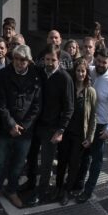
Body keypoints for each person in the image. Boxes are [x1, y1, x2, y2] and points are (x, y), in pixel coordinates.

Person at [0, 44, 42, 209]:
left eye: (23, 60)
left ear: (29, 61)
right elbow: (1, 103)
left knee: (18, 164)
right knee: (0, 162)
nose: (19, 62)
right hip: (6, 128)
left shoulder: (36, 76)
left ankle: (12, 190)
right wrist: (11, 124)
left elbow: (37, 106)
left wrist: (23, 127)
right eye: (16, 59)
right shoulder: (4, 74)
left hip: (25, 131)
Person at [24, 45, 75, 206]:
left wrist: (61, 130)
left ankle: (41, 192)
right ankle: (31, 184)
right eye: (47, 59)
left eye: (53, 59)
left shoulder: (65, 78)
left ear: (59, 60)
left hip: (52, 128)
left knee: (46, 163)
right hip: (36, 125)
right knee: (32, 157)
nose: (50, 63)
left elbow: (69, 107)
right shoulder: (40, 72)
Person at [76, 48, 108, 203]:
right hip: (86, 123)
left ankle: (88, 191)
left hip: (101, 126)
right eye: (99, 61)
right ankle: (78, 184)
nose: (101, 64)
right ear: (95, 59)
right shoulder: (90, 71)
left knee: (96, 161)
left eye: (104, 62)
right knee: (84, 157)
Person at [55, 58, 96, 206]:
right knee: (62, 161)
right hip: (65, 133)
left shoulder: (90, 92)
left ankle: (67, 190)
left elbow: (93, 116)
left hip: (79, 135)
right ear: (74, 72)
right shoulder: (69, 87)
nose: (80, 74)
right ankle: (58, 187)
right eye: (78, 71)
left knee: (74, 165)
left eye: (83, 71)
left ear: (86, 73)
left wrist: (90, 137)